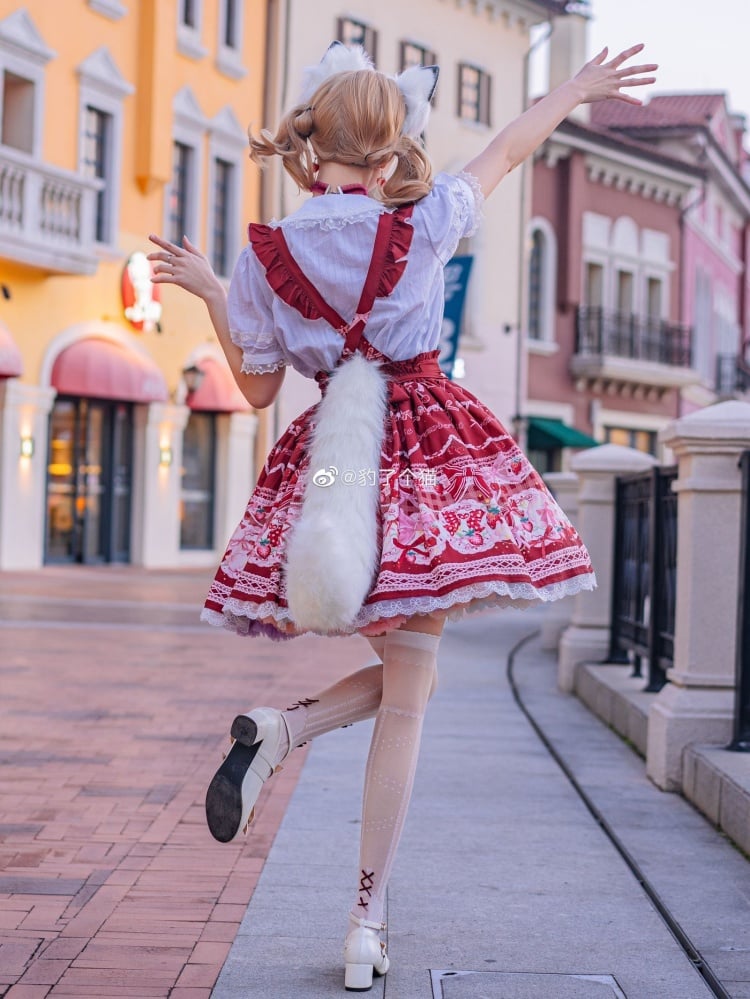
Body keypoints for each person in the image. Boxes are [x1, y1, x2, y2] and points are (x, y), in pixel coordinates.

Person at [149, 40, 656, 992]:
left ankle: (286, 734)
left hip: (334, 470)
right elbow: (507, 148)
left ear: (313, 147)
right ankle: (364, 916)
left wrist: (219, 296)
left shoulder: (267, 254)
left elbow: (257, 392)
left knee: (410, 675)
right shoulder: (422, 225)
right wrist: (578, 89)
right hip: (426, 459)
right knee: (413, 686)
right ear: (387, 159)